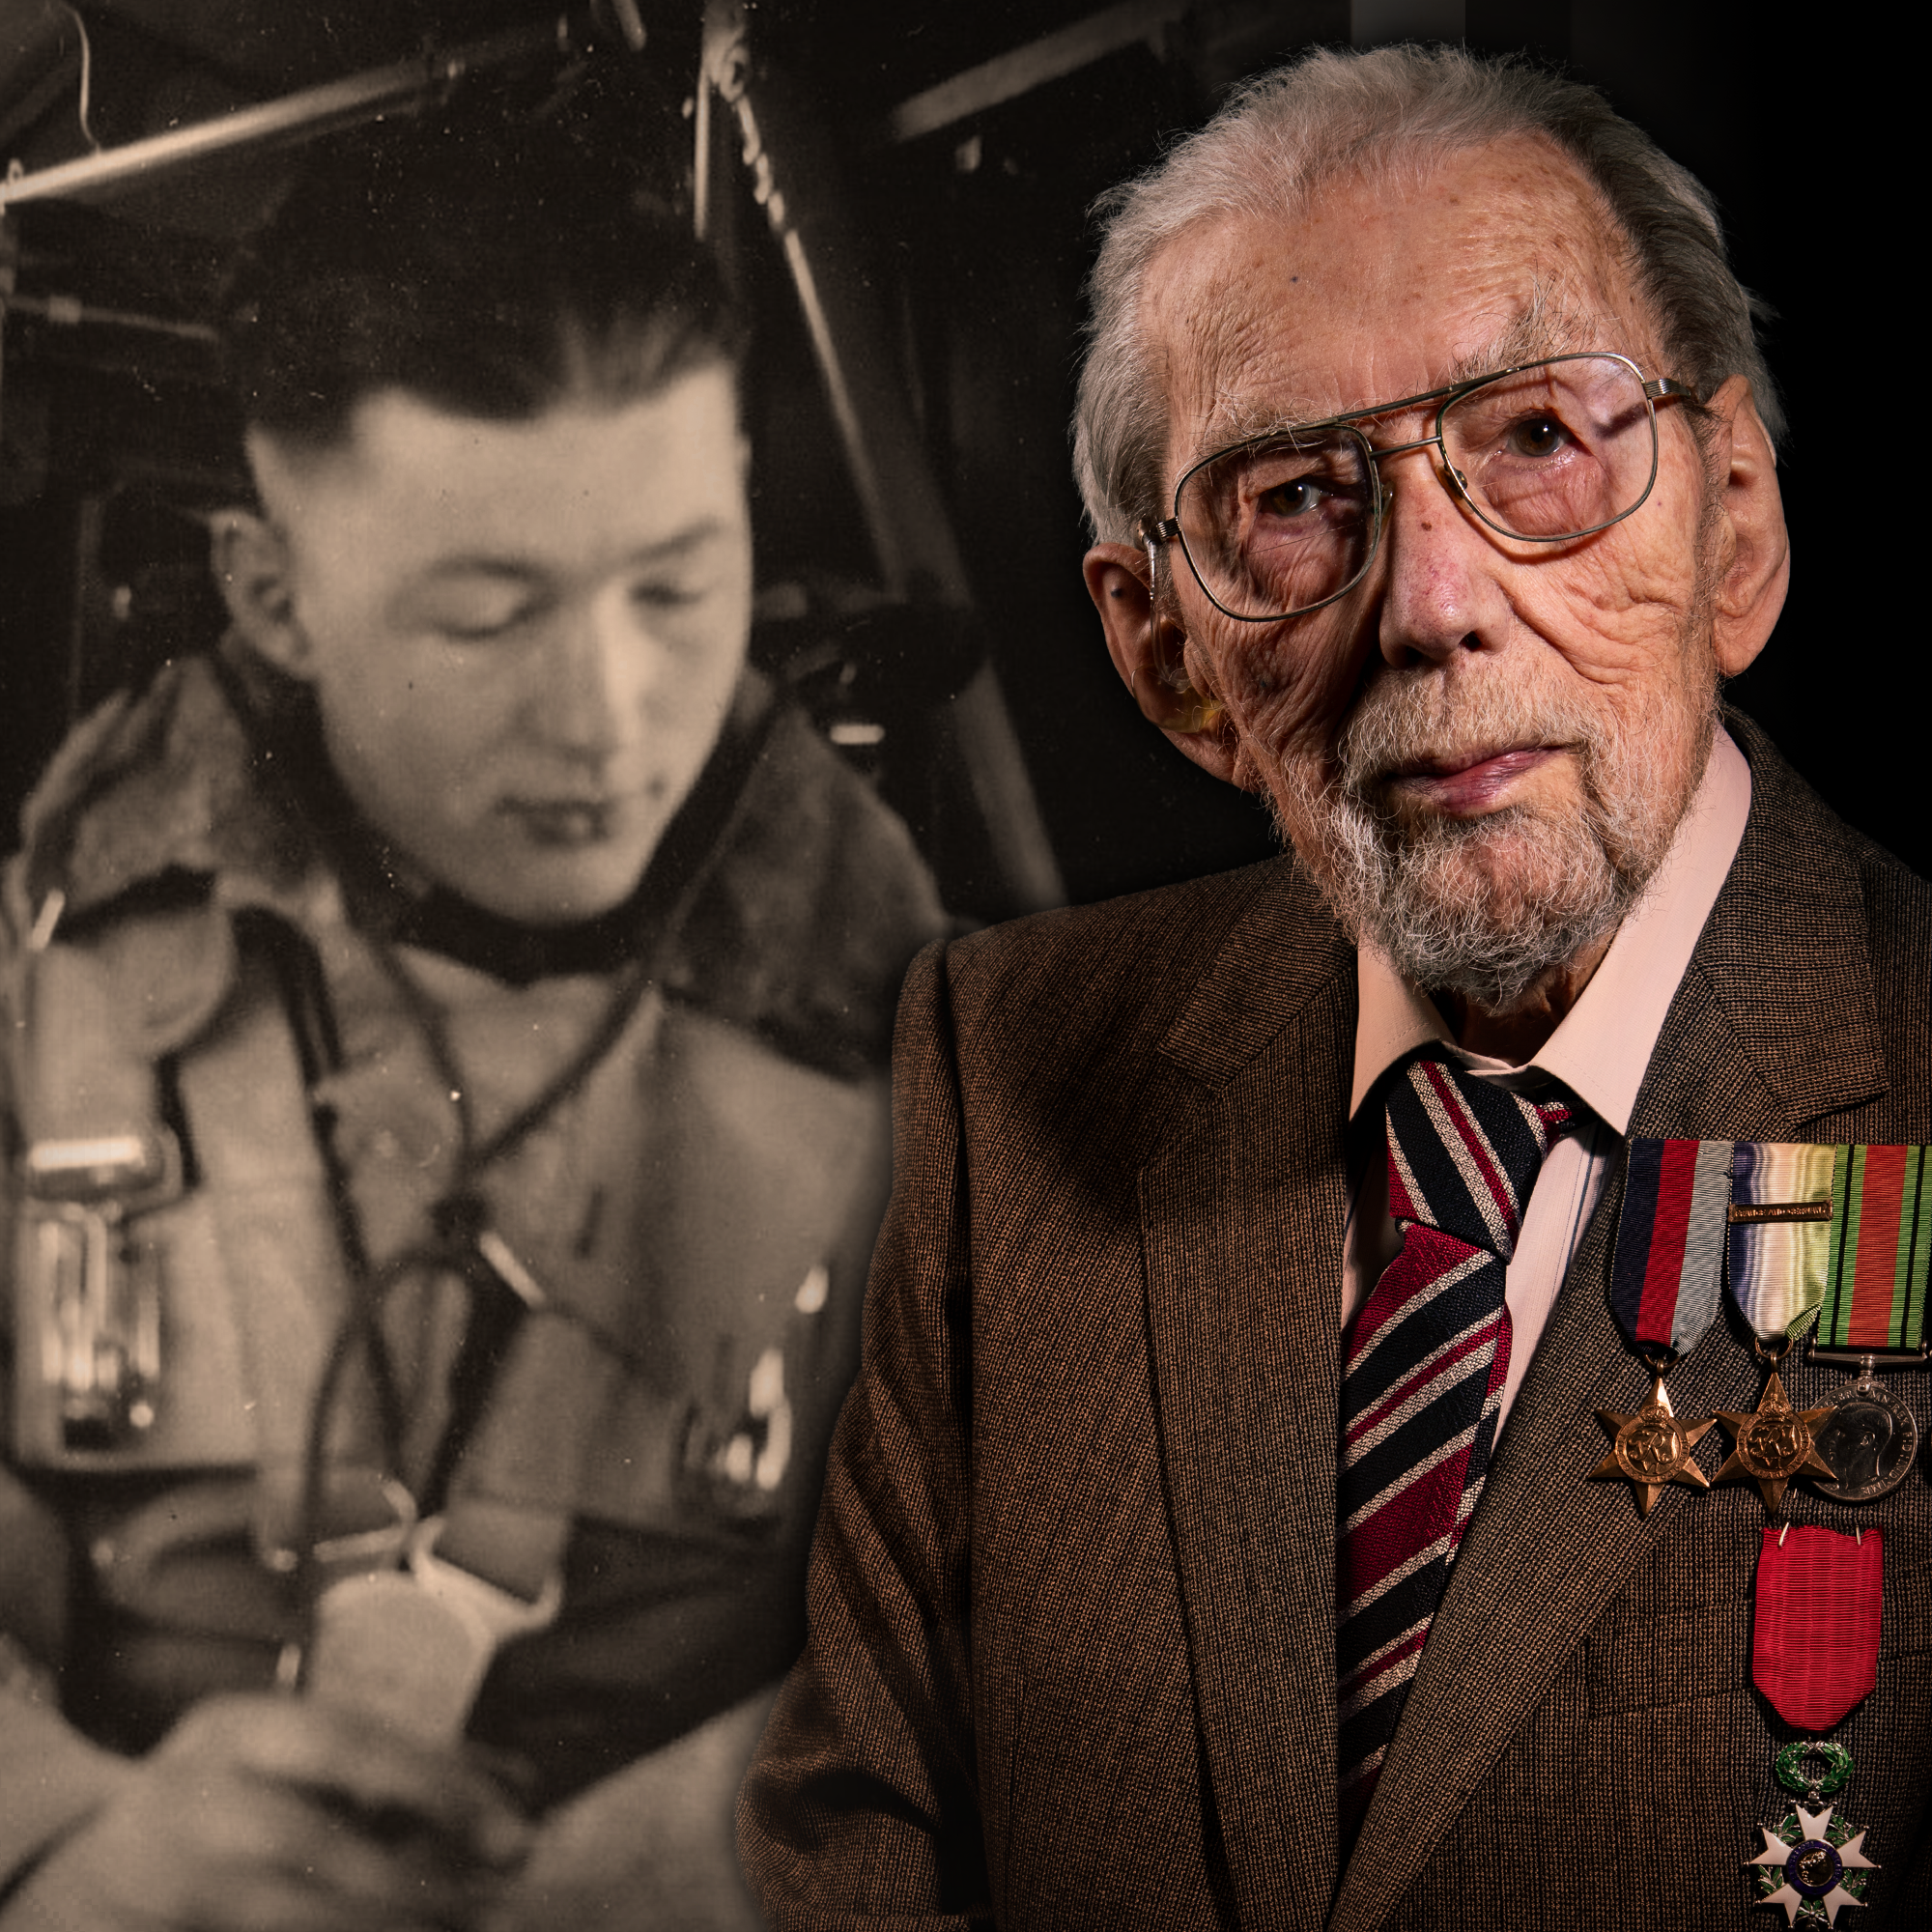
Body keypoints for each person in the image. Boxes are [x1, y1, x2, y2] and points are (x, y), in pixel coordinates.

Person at [738, 43, 1932, 1929]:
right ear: (1167, 661)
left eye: (1540, 436)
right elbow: (855, 1831)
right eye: (1294, 496)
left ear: (1734, 524)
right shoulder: (1003, 1059)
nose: (1429, 597)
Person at [0, 89, 944, 1931]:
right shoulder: (38, 1025)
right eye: (484, 615)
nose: (606, 716)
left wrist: (768, 1824)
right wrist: (70, 1844)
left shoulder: (964, 1071)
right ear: (272, 594)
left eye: (678, 587)